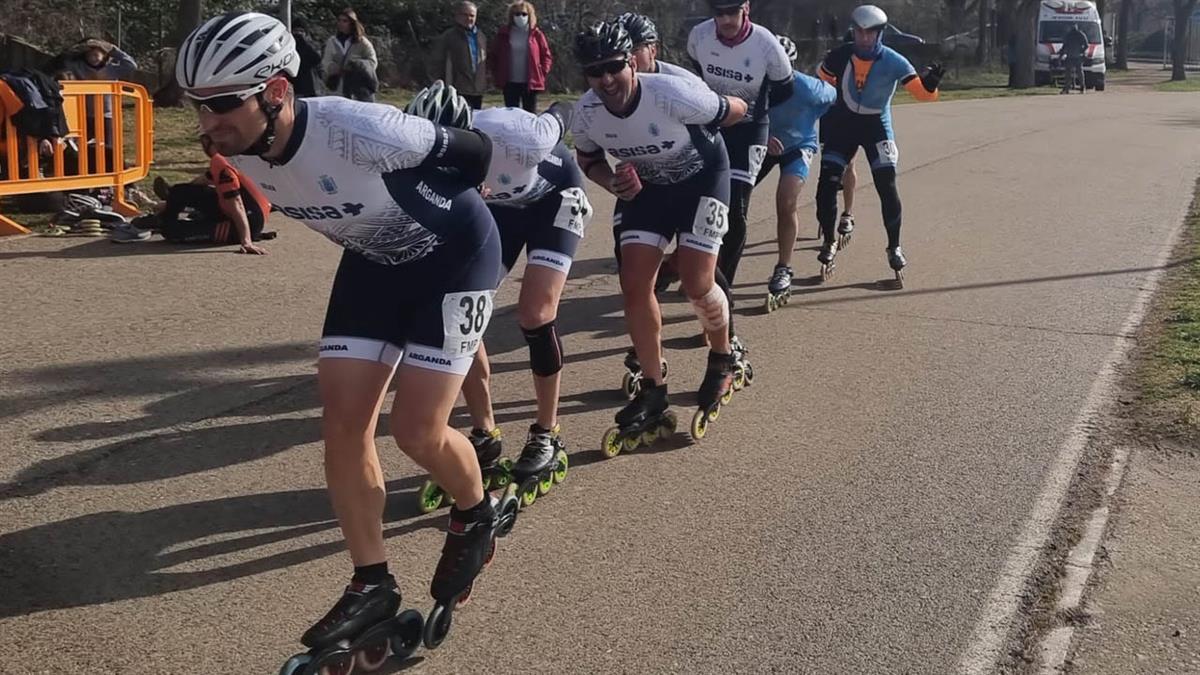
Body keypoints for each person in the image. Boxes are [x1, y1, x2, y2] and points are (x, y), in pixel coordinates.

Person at [176, 11, 515, 660]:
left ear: (276, 91)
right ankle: (371, 582)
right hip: (375, 261)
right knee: (342, 421)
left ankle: (476, 511)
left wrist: (449, 193)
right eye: (196, 105)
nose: (206, 123)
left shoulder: (356, 128)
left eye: (220, 104)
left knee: (416, 431)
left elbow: (475, 153)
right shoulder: (236, 147)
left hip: (457, 253)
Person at [406, 81, 590, 505]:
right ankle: (485, 434)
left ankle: (547, 433)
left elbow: (563, 107)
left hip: (554, 199)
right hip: (499, 210)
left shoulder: (519, 136)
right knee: (460, 308)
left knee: (535, 313)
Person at [570, 21, 748, 441]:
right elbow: (588, 158)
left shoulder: (672, 93)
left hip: (704, 181)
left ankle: (723, 357)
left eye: (614, 66)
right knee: (634, 285)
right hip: (647, 190)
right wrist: (609, 181)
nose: (606, 79)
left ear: (632, 61)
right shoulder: (587, 112)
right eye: (595, 72)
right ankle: (653, 388)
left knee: (696, 282)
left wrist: (729, 112)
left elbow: (737, 109)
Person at [814, 5, 942, 285]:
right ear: (853, 31)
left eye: (870, 33)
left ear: (880, 33)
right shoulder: (839, 56)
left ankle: (894, 246)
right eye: (859, 32)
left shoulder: (895, 61)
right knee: (826, 184)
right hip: (843, 125)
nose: (864, 38)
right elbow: (820, 86)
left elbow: (922, 95)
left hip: (876, 127)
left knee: (887, 184)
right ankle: (829, 241)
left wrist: (931, 85)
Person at [686, 0, 793, 292]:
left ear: (745, 7)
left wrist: (755, 109)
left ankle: (722, 288)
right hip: (713, 123)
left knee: (735, 210)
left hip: (749, 131)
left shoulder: (766, 44)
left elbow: (786, 88)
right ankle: (698, 266)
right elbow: (697, 74)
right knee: (699, 203)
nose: (725, 20)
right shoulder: (699, 36)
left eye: (732, 12)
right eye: (718, 13)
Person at [754, 35, 835, 308]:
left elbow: (834, 95)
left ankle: (783, 267)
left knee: (786, 201)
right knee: (730, 199)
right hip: (763, 146)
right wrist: (762, 138)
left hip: (798, 147)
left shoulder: (809, 89)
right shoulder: (754, 84)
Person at [121, 135, 271, 251]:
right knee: (180, 191)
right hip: (249, 210)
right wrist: (171, 200)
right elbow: (202, 181)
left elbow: (236, 204)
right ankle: (166, 212)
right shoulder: (232, 155)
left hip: (247, 222)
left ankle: (164, 224)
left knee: (173, 233)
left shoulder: (220, 163)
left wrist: (246, 241)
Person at [488, 1, 552, 112]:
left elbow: (546, 56)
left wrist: (542, 72)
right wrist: (496, 74)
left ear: (529, 15)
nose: (520, 17)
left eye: (523, 14)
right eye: (517, 14)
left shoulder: (537, 34)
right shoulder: (503, 34)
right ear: (511, 16)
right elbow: (493, 55)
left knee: (530, 115)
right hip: (510, 83)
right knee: (512, 115)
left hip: (530, 83)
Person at [431, 1, 488, 110]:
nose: (469, 18)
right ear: (457, 16)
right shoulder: (448, 37)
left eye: (472, 15)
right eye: (465, 15)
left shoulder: (481, 36)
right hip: (457, 90)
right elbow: (437, 62)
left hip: (477, 90)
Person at [321, 8, 378, 102]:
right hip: (337, 87)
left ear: (352, 23)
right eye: (339, 20)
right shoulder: (332, 41)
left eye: (344, 21)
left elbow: (373, 62)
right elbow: (325, 62)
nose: (341, 23)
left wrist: (357, 64)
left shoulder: (362, 42)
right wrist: (334, 68)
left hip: (358, 88)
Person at [290, 16, 325, 98]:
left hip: (309, 88)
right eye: (296, 31)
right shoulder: (289, 47)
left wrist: (304, 44)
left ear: (305, 33)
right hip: (294, 88)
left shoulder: (311, 46)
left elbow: (317, 59)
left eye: (301, 31)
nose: (298, 34)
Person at [1060, 22, 1088, 94]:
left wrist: (1082, 51)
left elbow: (1086, 45)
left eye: (1074, 25)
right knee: (1068, 73)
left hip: (1077, 56)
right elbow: (1064, 46)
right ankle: (1067, 88)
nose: (1073, 27)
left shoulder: (1080, 34)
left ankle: (1082, 87)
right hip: (1070, 56)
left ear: (1076, 26)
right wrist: (1061, 54)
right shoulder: (1069, 35)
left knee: (1079, 72)